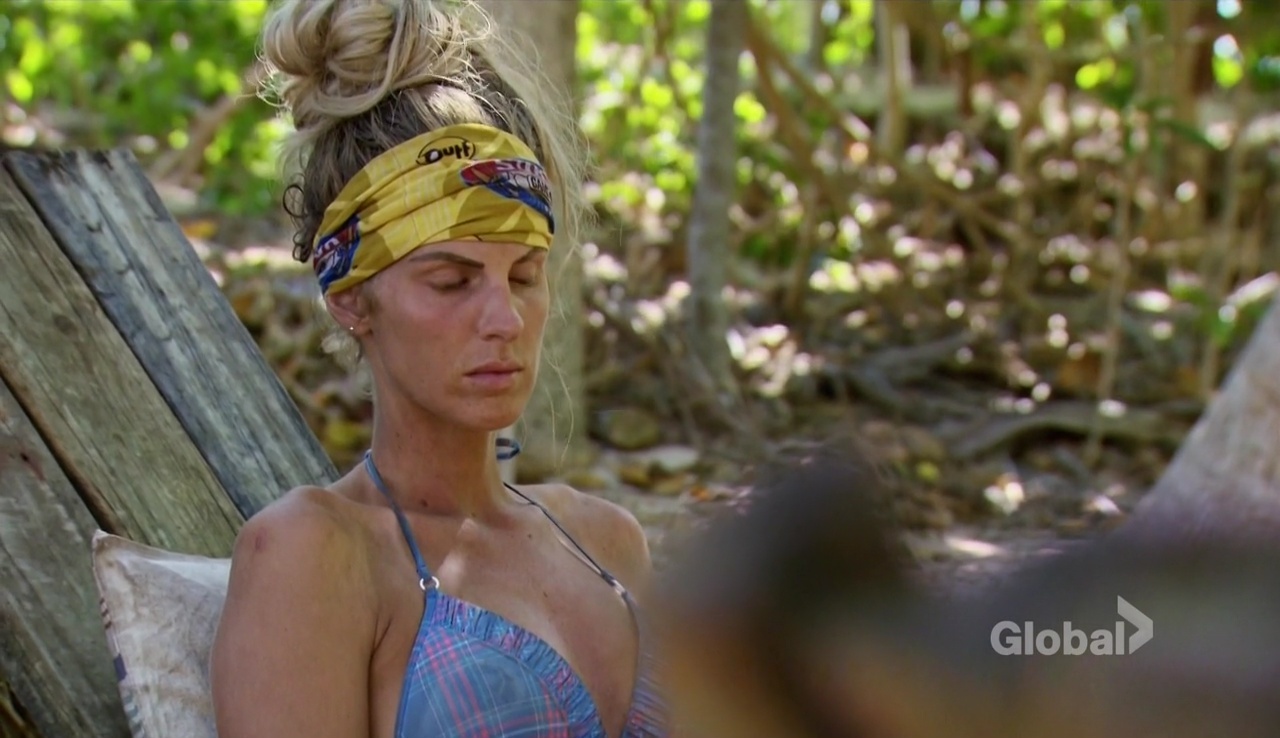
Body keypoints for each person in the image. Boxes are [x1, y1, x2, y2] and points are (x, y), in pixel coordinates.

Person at [209, 1, 669, 737]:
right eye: (452, 282)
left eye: (524, 276)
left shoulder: (607, 542)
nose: (504, 319)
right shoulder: (316, 554)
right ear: (352, 300)